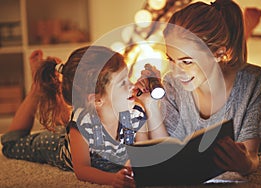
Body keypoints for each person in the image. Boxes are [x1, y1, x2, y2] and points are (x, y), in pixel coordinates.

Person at [136, 0, 261, 176]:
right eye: (171, 59)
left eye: (186, 62)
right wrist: (150, 106)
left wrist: (245, 163)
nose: (175, 71)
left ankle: (245, 31)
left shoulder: (253, 81)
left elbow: (251, 158)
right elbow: (168, 154)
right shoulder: (172, 83)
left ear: (219, 54)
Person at [1, 46, 156, 187]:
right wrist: (112, 179)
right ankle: (37, 88)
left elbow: (139, 154)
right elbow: (82, 170)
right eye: (122, 83)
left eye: (128, 78)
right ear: (96, 99)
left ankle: (51, 86)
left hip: (80, 131)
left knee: (62, 125)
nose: (132, 85)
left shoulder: (133, 115)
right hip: (60, 147)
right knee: (11, 144)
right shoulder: (84, 123)